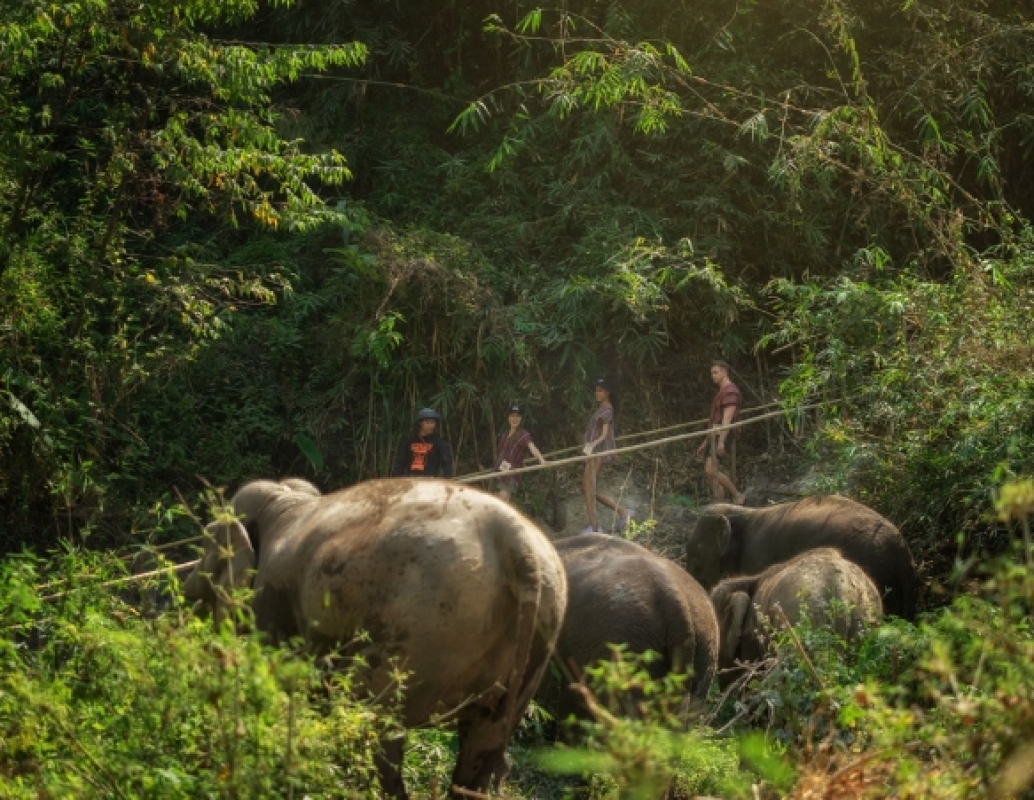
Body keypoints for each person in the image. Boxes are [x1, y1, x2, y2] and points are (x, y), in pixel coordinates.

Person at [581, 378, 633, 534]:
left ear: (607, 392)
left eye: (600, 390)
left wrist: (592, 445)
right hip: (592, 452)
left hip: (597, 452)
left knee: (589, 487)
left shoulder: (607, 409)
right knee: (589, 488)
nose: (597, 393)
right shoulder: (601, 409)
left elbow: (604, 435)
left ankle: (596, 526)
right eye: (596, 390)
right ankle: (621, 513)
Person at [696, 360, 745, 504]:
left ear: (724, 372)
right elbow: (714, 421)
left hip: (724, 434)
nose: (713, 376)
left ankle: (737, 495)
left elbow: (727, 418)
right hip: (715, 434)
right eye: (712, 373)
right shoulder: (722, 391)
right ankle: (720, 501)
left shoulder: (731, 391)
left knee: (711, 470)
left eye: (716, 372)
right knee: (709, 472)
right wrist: (705, 442)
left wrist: (722, 441)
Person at [494, 404, 547, 503]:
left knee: (502, 499)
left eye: (517, 416)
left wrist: (541, 459)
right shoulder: (505, 435)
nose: (515, 419)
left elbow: (532, 448)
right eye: (512, 416)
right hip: (502, 473)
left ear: (521, 418)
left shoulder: (523, 434)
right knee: (504, 502)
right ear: (508, 418)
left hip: (512, 473)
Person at [392, 407, 454, 478]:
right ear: (420, 423)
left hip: (430, 481)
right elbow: (401, 462)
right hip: (412, 479)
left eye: (432, 422)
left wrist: (446, 480)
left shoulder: (439, 442)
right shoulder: (410, 441)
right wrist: (399, 479)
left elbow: (446, 463)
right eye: (427, 422)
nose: (430, 426)